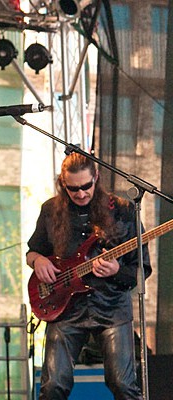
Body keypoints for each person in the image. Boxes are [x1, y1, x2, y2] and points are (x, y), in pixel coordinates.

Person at [26, 152, 151, 400]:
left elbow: (142, 270)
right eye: (73, 189)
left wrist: (117, 270)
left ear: (97, 177)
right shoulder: (51, 210)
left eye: (86, 186)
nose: (81, 194)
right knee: (53, 387)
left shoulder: (124, 211)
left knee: (123, 385)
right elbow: (33, 251)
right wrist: (38, 261)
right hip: (65, 308)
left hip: (112, 308)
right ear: (63, 184)